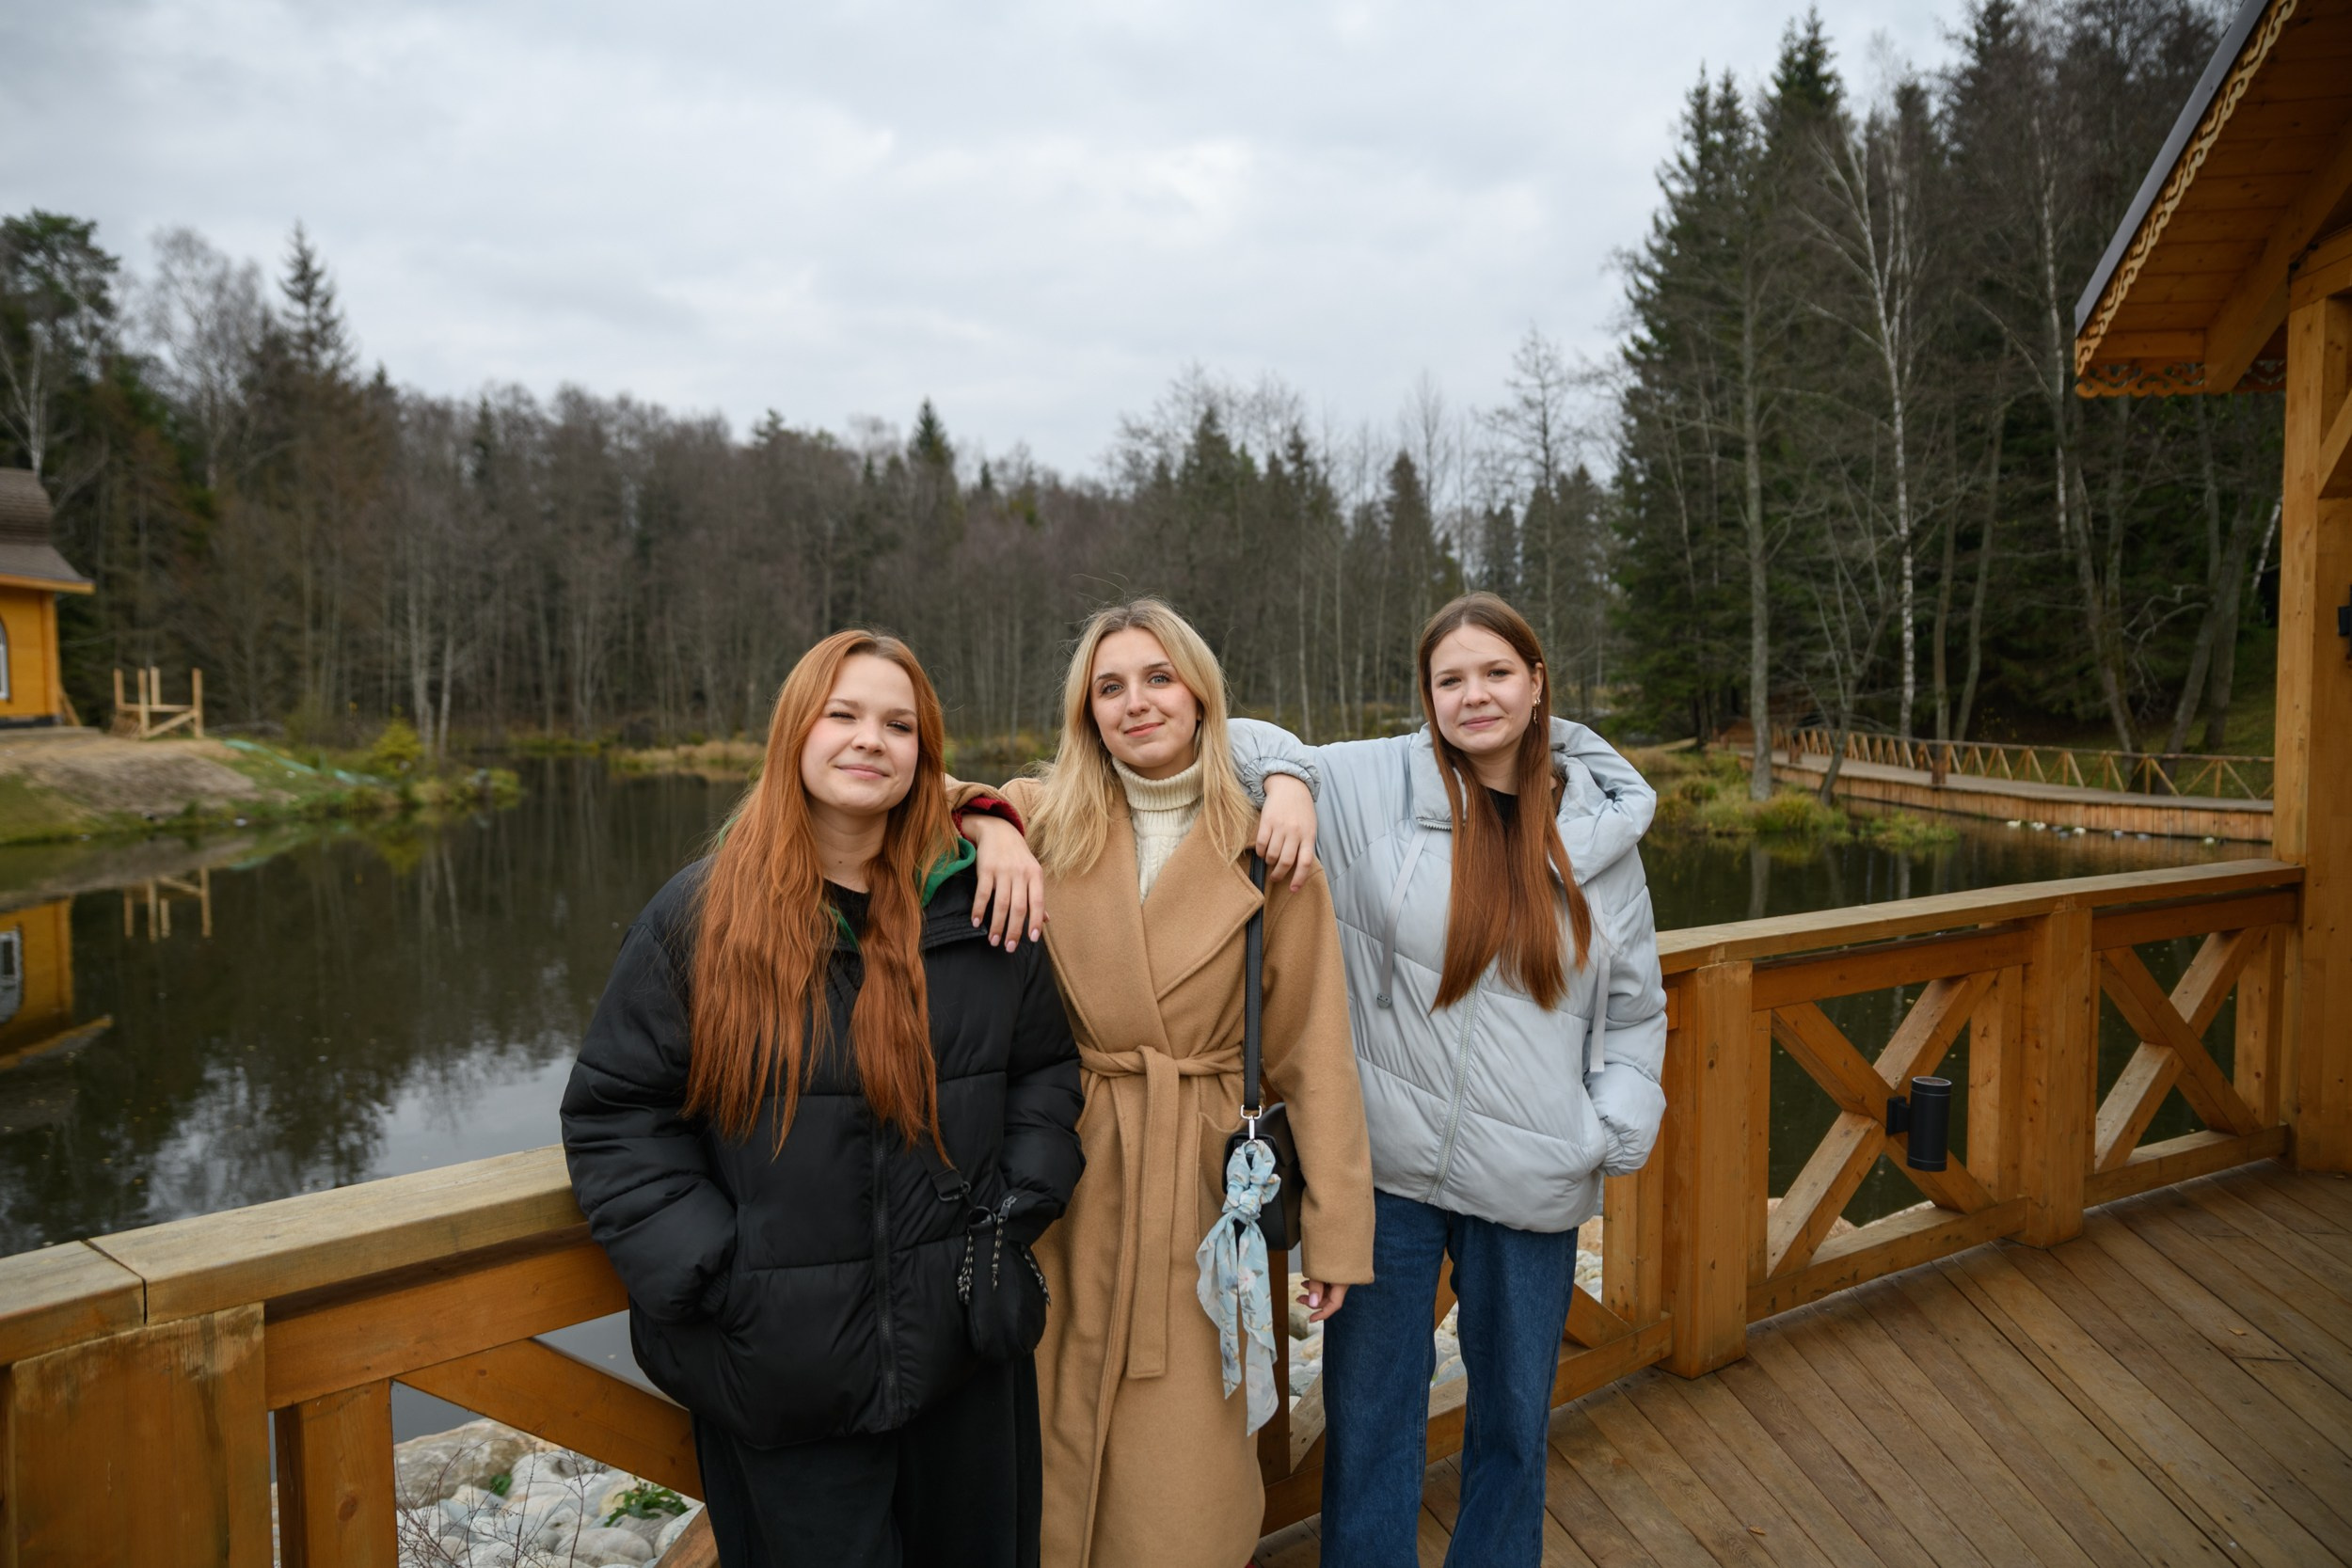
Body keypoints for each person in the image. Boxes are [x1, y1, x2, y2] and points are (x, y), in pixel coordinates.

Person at [561, 629, 1085, 1568]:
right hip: (780, 1370)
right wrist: (717, 1273)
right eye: (841, 714)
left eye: (897, 723)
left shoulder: (979, 908)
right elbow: (616, 1114)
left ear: (925, 752)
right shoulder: (700, 914)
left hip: (963, 1351)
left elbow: (1043, 1070)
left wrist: (1016, 1207)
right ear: (794, 733)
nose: (868, 740)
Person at [1232, 592, 1665, 1568]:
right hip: (1381, 1172)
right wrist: (1291, 778)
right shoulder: (1367, 783)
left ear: (1537, 679)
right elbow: (1219, 736)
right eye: (1449, 679)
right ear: (1425, 695)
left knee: (1512, 1424)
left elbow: (1636, 1007)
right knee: (1371, 1421)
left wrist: (1612, 1123)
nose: (1474, 696)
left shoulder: (1598, 830)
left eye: (1495, 672)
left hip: (1532, 1177)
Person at [955, 597, 1376, 1568]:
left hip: (1200, 1187)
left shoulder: (1270, 841)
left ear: (1198, 693)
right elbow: (904, 781)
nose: (1135, 702)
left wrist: (1338, 1236)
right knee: (1046, 1428)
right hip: (1065, 1167)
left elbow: (1314, 1045)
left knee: (1182, 1456)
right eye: (1109, 686)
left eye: (1157, 678)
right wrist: (990, 824)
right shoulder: (1042, 813)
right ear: (1085, 710)